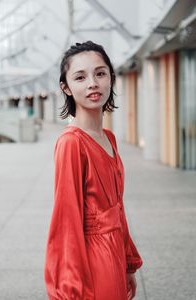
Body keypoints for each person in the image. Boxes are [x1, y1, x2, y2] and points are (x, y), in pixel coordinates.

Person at [44, 41, 143, 300]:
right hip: (92, 260)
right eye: (80, 77)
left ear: (111, 77)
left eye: (100, 73)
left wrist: (128, 262)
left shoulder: (108, 137)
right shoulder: (71, 143)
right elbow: (66, 222)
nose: (92, 83)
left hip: (115, 254)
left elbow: (117, 209)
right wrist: (69, 288)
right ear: (65, 87)